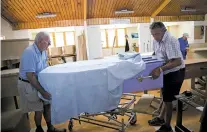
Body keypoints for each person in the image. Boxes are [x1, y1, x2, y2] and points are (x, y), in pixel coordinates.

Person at [18, 32, 66, 132]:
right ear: (40, 41)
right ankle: (39, 130)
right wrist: (43, 91)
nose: (50, 44)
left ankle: (50, 128)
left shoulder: (43, 51)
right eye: (48, 42)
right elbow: (30, 76)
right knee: (39, 109)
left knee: (47, 105)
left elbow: (44, 68)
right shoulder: (29, 52)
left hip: (39, 81)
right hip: (29, 83)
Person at [148, 22, 185, 132]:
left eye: (157, 34)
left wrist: (160, 69)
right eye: (153, 34)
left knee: (168, 100)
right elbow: (156, 53)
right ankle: (160, 118)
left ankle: (167, 126)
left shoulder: (171, 40)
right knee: (164, 96)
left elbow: (177, 61)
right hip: (165, 71)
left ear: (164, 31)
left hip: (175, 72)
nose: (155, 37)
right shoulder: (156, 40)